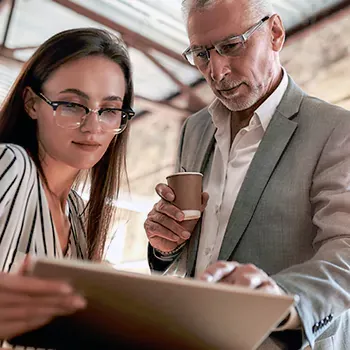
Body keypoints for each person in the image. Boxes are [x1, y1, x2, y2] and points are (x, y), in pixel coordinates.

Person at [144, 0, 350, 349]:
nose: (217, 71)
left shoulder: (336, 130)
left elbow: (345, 253)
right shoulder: (194, 130)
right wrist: (166, 249)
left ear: (275, 33)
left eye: (231, 46)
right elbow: (198, 256)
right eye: (201, 54)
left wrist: (279, 299)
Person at [0, 27, 134, 345]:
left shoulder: (77, 212)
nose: (93, 126)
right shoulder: (11, 164)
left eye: (109, 110)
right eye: (72, 105)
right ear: (32, 104)